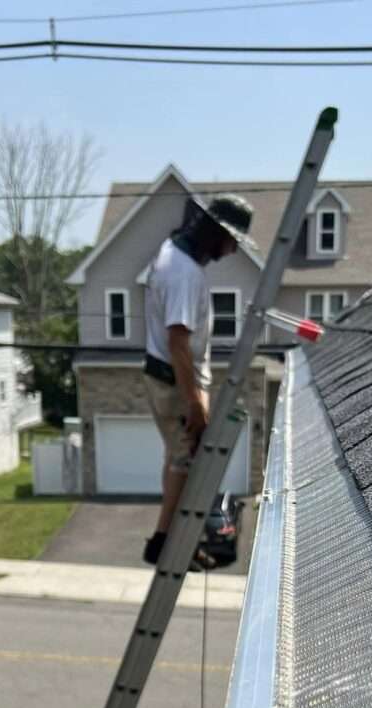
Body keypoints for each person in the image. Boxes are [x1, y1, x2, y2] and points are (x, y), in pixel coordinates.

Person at [141, 194, 255, 570]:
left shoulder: (172, 254)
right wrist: (195, 403)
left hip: (172, 379)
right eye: (232, 240)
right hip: (175, 384)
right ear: (215, 233)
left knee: (177, 459)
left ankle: (167, 540)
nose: (233, 250)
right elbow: (177, 342)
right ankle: (169, 546)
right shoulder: (183, 273)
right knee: (186, 462)